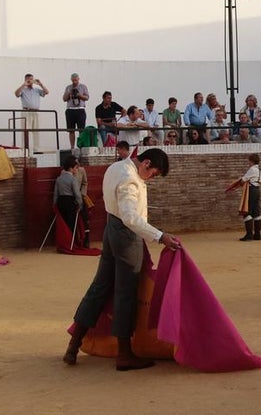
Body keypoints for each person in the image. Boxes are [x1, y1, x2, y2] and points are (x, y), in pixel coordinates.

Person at [63, 148, 182, 371]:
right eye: (153, 174)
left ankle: (73, 345)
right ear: (145, 163)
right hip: (127, 236)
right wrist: (160, 236)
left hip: (111, 230)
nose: (151, 178)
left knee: (100, 287)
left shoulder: (116, 167)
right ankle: (124, 354)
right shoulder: (130, 179)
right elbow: (130, 218)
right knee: (126, 292)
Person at [227, 153, 261, 241]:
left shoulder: (252, 169)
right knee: (256, 212)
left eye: (249, 161)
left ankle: (249, 235)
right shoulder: (259, 171)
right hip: (257, 190)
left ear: (252, 161)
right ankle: (257, 234)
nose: (248, 163)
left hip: (251, 191)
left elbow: (243, 180)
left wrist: (234, 184)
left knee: (247, 212)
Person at [14, 74, 49, 152]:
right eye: (28, 80)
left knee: (37, 131)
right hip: (26, 111)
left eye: (31, 79)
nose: (30, 81)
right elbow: (16, 94)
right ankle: (25, 149)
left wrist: (41, 84)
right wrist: (24, 84)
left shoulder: (36, 90)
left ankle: (37, 149)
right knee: (25, 131)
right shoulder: (23, 90)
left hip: (36, 111)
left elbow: (46, 92)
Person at [54, 155, 84, 233]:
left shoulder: (59, 179)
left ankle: (64, 241)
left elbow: (56, 194)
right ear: (71, 169)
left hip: (60, 202)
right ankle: (70, 242)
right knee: (71, 223)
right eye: (75, 168)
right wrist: (80, 204)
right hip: (70, 203)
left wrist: (55, 204)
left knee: (63, 223)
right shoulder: (73, 179)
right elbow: (77, 194)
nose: (76, 169)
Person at [62, 73, 90, 148]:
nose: (74, 82)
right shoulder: (68, 87)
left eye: (76, 80)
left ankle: (80, 145)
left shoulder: (83, 87)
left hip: (80, 109)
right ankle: (72, 147)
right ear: (71, 80)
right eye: (73, 80)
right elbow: (64, 99)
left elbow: (87, 97)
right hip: (70, 110)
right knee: (71, 130)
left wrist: (79, 95)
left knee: (81, 130)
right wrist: (69, 93)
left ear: (78, 79)